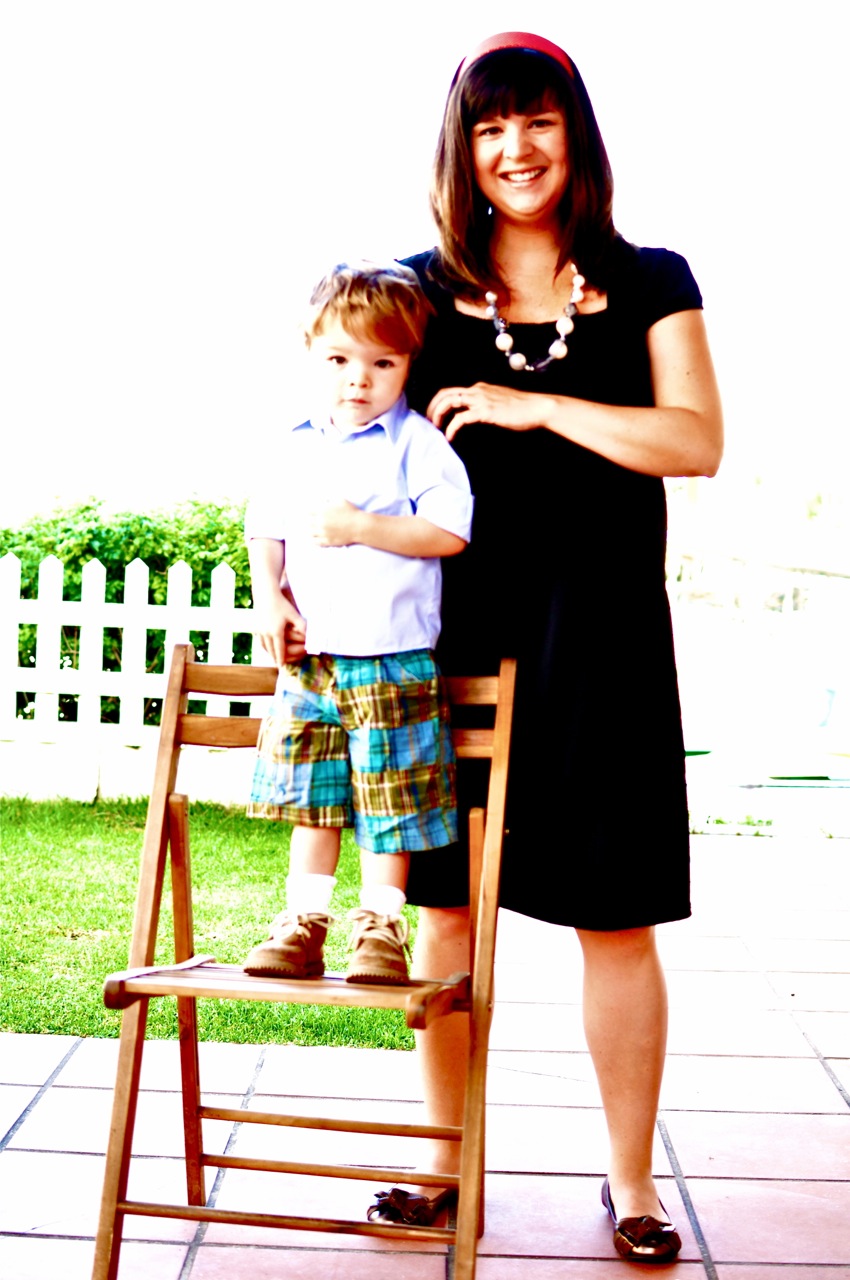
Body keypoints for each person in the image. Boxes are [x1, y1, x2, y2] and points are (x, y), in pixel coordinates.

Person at [368, 32, 723, 1262]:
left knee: (615, 918)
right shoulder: (414, 291)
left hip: (607, 636)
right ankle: (439, 1161)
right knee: (443, 914)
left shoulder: (651, 278)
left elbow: (693, 440)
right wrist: (295, 577)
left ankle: (630, 1181)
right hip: (449, 637)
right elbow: (342, 437)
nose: (513, 148)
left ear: (575, 133)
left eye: (536, 120)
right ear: (461, 149)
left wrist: (534, 406)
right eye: (487, 127)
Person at [243, 261, 473, 986]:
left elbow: (448, 532)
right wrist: (269, 597)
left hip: (391, 657)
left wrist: (361, 526)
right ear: (312, 354)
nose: (358, 380)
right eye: (339, 360)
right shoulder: (295, 443)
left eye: (382, 363)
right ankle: (303, 922)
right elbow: (266, 526)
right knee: (314, 800)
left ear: (408, 362)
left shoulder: (418, 445)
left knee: (389, 801)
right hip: (311, 661)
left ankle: (379, 927)